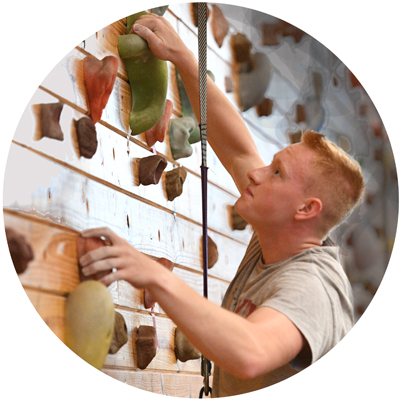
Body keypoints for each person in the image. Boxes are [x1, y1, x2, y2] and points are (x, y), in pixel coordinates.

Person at [79, 13, 365, 397]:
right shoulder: (280, 234)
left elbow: (252, 351)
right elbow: (239, 149)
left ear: (305, 210)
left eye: (277, 172)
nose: (257, 174)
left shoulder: (313, 287)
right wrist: (181, 54)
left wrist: (154, 274)